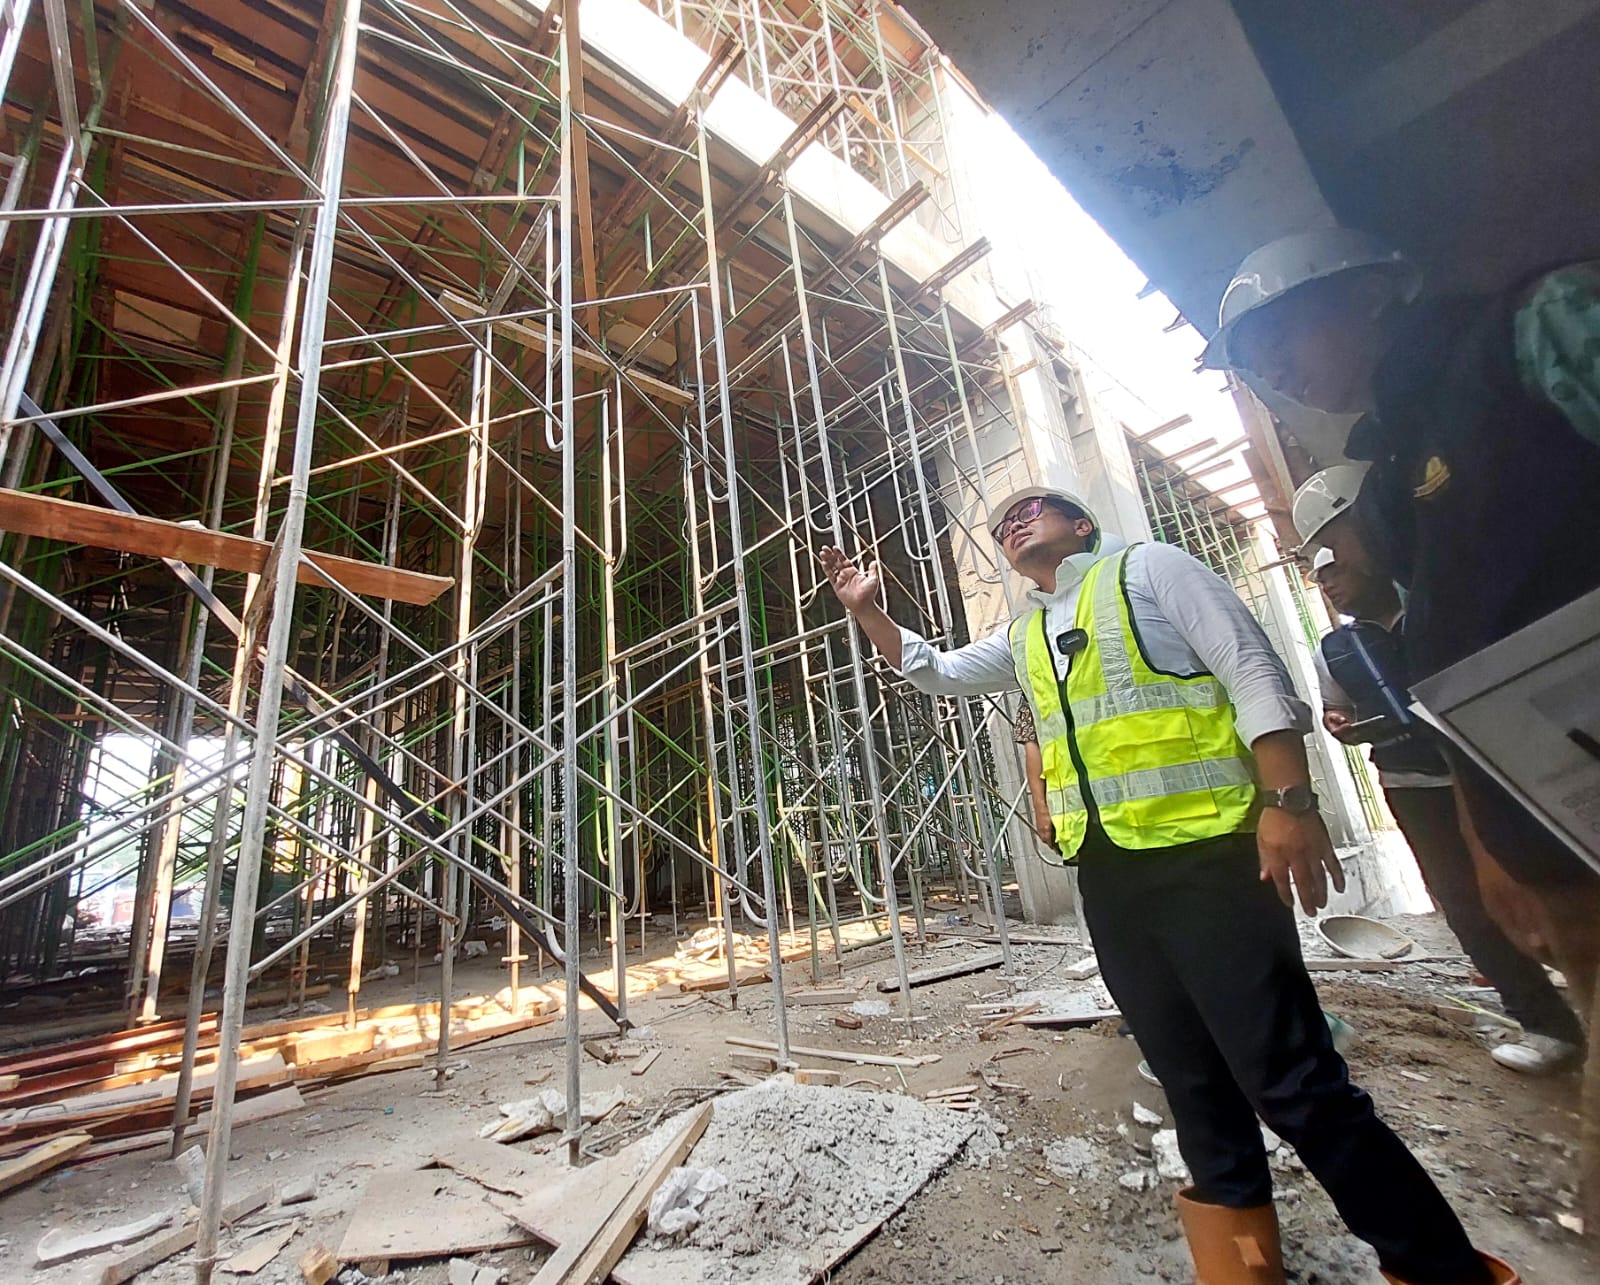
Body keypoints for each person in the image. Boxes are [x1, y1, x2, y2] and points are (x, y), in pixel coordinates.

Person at [820, 487, 1513, 1285]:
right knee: (1189, 1073)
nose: (1013, 519)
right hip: (1112, 875)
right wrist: (869, 611)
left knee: (1290, 1079)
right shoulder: (1028, 630)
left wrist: (1289, 801)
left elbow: (1253, 671)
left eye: (1033, 506)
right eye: (1001, 521)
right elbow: (934, 671)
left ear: (1082, 524)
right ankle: (1245, 1266)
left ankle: (1441, 1267)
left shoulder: (1151, 570)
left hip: (1209, 859)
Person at [1200, 229, 1600, 1033]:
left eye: (1279, 334)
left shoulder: (1530, 328)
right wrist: (1492, 841)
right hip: (1561, 828)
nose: (1271, 367)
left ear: (1372, 291)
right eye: (1253, 358)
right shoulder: (1392, 476)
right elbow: (1456, 670)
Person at [1298, 472, 1583, 1073]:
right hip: (1411, 781)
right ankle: (1543, 1021)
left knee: (1540, 879)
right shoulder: (1338, 649)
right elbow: (1337, 708)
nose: (1332, 584)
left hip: (1489, 769)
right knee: (1461, 899)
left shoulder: (1440, 607)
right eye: (1321, 578)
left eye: (1337, 564)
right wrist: (1342, 723)